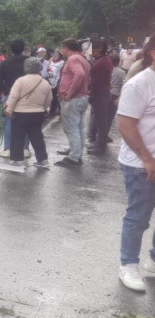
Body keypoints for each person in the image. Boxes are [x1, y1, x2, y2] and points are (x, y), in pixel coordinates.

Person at [115, 34, 155, 292]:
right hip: (141, 165)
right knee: (138, 217)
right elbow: (125, 124)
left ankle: (153, 261)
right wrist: (147, 159)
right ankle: (128, 264)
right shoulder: (140, 84)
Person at [5, 57, 52, 168]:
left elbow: (13, 97)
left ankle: (18, 160)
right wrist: (43, 109)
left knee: (17, 137)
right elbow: (49, 99)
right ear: (39, 67)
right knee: (37, 137)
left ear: (26, 67)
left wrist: (9, 110)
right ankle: (43, 160)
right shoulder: (45, 82)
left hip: (20, 113)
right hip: (38, 113)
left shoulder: (21, 81)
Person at [56, 38, 91, 167]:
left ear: (66, 48)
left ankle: (74, 158)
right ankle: (77, 154)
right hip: (81, 98)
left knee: (72, 128)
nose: (62, 51)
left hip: (74, 99)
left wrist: (70, 93)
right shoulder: (83, 59)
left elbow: (80, 74)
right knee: (79, 128)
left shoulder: (73, 59)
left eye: (62, 48)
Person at [0, 39, 31, 159]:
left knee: (9, 121)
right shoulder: (29, 62)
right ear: (24, 48)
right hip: (26, 95)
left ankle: (8, 149)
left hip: (9, 94)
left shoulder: (4, 63)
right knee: (25, 121)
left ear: (11, 49)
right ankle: (25, 149)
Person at [87, 40, 113, 155]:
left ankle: (100, 146)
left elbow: (98, 81)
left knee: (101, 122)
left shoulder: (102, 62)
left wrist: (92, 94)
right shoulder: (104, 60)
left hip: (100, 94)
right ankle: (99, 144)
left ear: (97, 50)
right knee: (100, 121)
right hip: (103, 93)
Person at [109, 54, 127, 128]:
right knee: (110, 116)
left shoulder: (106, 70)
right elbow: (125, 85)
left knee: (102, 116)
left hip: (104, 93)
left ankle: (97, 134)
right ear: (119, 62)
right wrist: (120, 97)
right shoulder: (122, 72)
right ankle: (104, 135)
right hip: (115, 95)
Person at [47, 50, 65, 117]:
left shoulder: (62, 63)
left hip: (57, 83)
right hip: (50, 81)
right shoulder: (51, 62)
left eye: (57, 55)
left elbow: (60, 73)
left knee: (56, 97)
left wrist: (57, 82)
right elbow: (50, 71)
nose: (55, 56)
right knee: (52, 97)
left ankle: (57, 110)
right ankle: (53, 110)